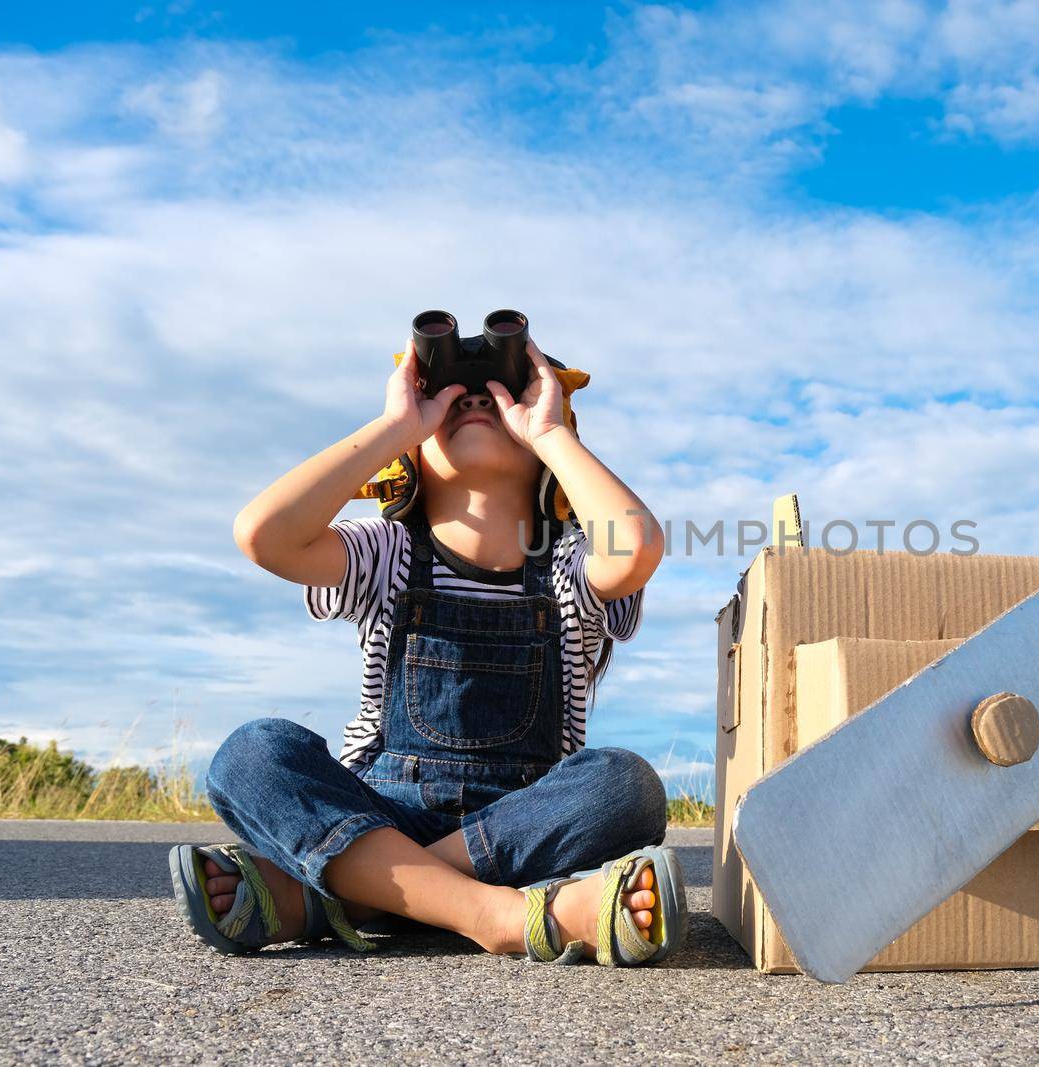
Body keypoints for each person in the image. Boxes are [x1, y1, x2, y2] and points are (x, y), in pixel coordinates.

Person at [166, 328, 685, 967]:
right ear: (409, 457)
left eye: (496, 394)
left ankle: (336, 899)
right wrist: (395, 423)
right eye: (451, 395)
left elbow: (635, 548)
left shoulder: (568, 566)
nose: (473, 402)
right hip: (382, 809)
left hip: (516, 825)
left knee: (625, 786)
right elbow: (264, 534)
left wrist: (551, 431)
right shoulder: (388, 553)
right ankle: (506, 916)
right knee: (253, 754)